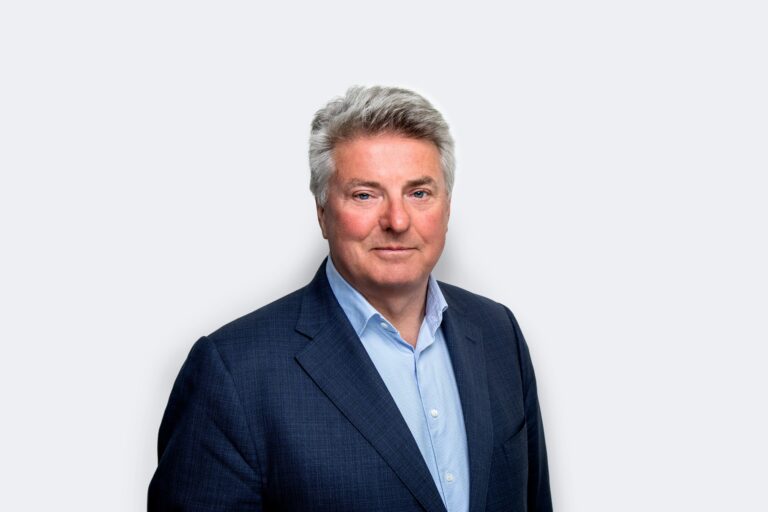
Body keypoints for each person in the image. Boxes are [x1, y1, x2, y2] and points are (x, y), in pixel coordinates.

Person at [148, 86, 552, 512]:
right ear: (322, 212)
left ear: (447, 207)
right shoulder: (233, 373)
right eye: (365, 194)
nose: (397, 220)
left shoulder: (498, 333)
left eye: (419, 193)